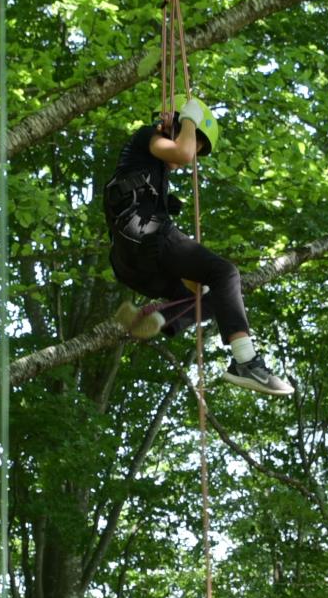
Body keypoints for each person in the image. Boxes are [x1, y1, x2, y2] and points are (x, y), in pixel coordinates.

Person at [99, 93, 293, 395]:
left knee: (207, 297)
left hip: (130, 261)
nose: (194, 151)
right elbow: (182, 152)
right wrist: (190, 119)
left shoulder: (151, 168)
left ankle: (159, 317)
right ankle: (247, 362)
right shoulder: (146, 137)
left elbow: (179, 155)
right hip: (146, 234)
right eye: (196, 140)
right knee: (226, 273)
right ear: (174, 123)